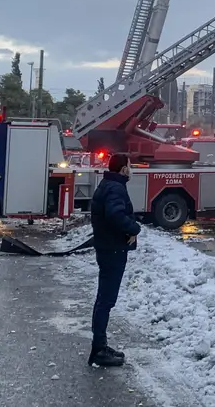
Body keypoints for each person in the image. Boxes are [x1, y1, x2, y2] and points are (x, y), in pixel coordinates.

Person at [89, 153, 141, 368]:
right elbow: (114, 214)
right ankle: (99, 349)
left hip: (107, 247)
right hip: (113, 249)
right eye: (129, 165)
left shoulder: (109, 184)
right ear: (123, 168)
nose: (131, 168)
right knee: (106, 300)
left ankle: (99, 345)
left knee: (104, 298)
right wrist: (133, 228)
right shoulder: (115, 188)